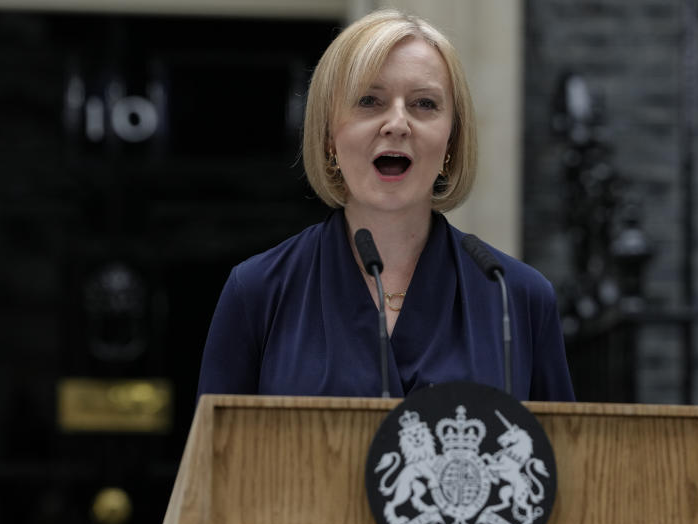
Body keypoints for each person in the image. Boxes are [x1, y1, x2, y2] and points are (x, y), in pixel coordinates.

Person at [197, 9, 574, 402]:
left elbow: (559, 458)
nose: (397, 123)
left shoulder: (518, 297)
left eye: (424, 104)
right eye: (369, 101)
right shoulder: (258, 290)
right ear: (329, 135)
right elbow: (216, 458)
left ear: (451, 140)